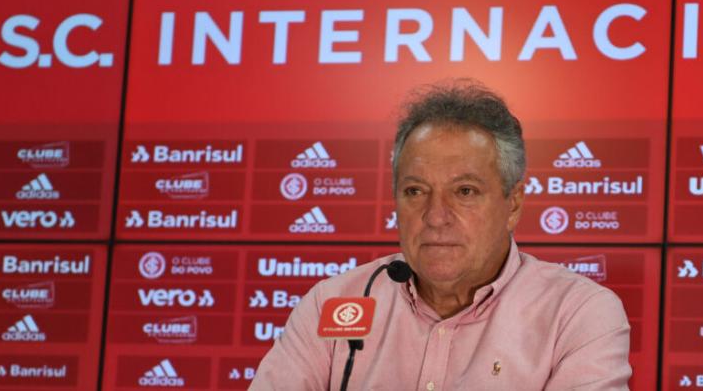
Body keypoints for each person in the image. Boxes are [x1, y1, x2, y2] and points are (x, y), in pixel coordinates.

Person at [250, 80, 631, 390]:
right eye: (416, 191)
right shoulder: (334, 302)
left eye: (465, 191)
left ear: (513, 204)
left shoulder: (576, 313)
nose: (435, 217)